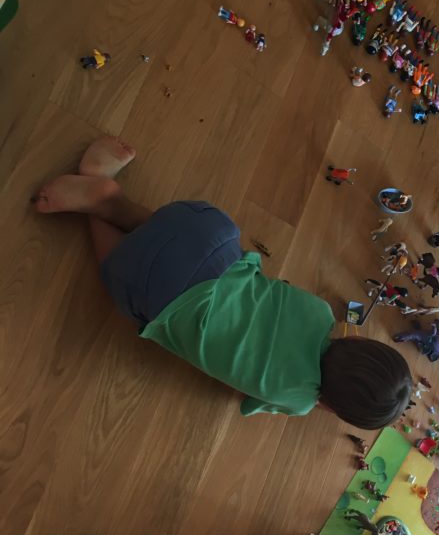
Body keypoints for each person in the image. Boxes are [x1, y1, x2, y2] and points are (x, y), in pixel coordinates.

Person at [32, 137, 413, 429]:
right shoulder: (297, 401)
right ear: (331, 408)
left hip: (205, 232)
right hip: (164, 295)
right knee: (125, 270)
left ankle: (111, 199)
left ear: (356, 340)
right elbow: (247, 397)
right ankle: (94, 201)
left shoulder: (319, 312)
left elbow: (273, 293)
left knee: (169, 238)